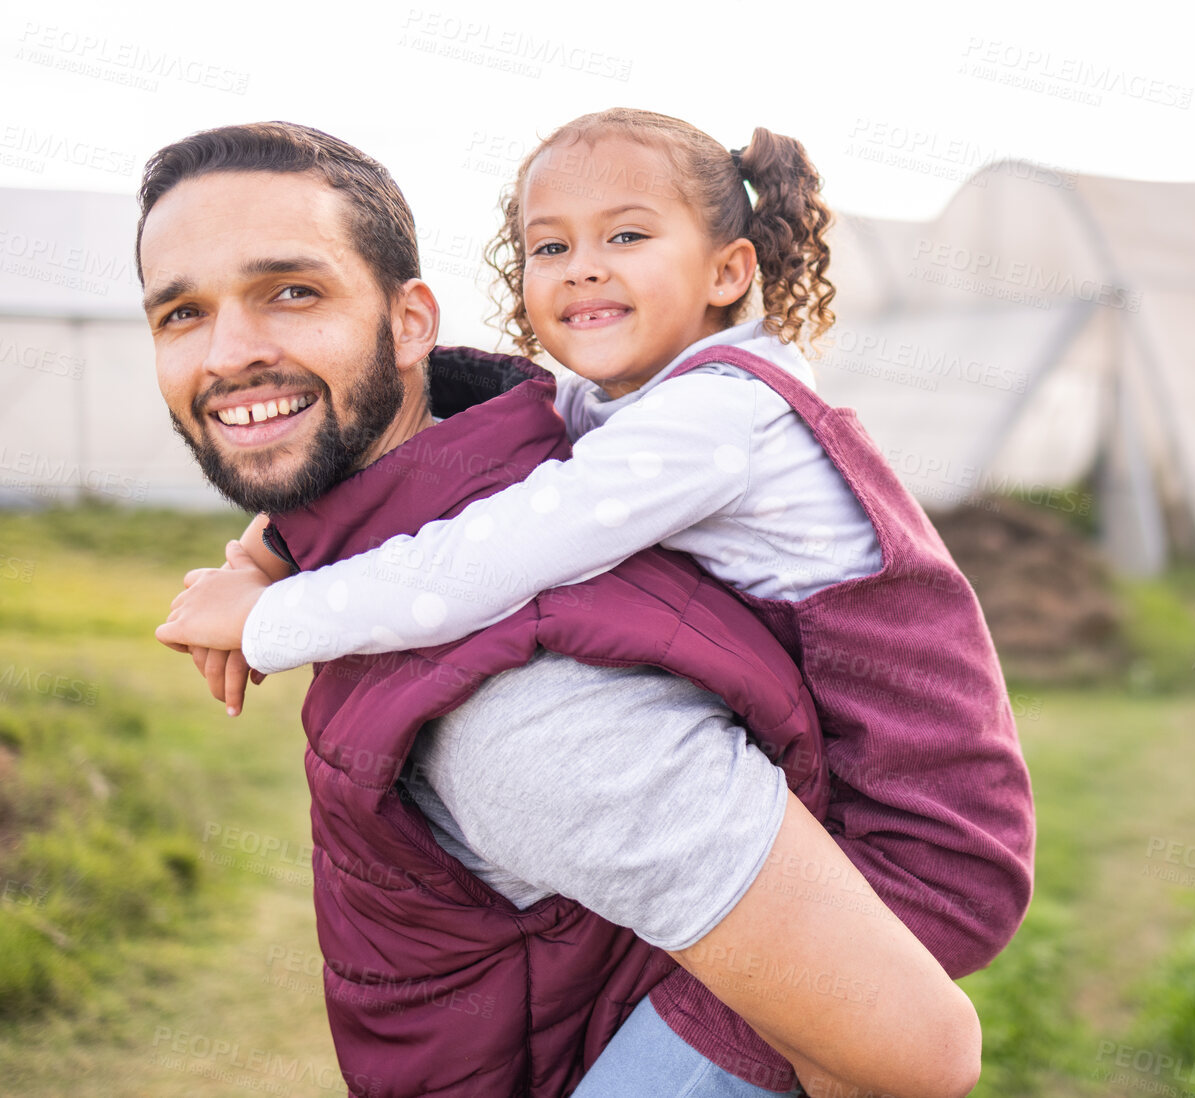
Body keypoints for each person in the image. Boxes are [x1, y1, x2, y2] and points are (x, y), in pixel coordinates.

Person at [158, 110, 1039, 1081]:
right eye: (181, 313)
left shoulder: (546, 704)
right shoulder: (621, 409)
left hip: (925, 832)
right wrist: (273, 551)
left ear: (728, 271)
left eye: (290, 291)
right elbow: (507, 418)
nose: (227, 352)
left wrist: (267, 620)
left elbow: (485, 558)